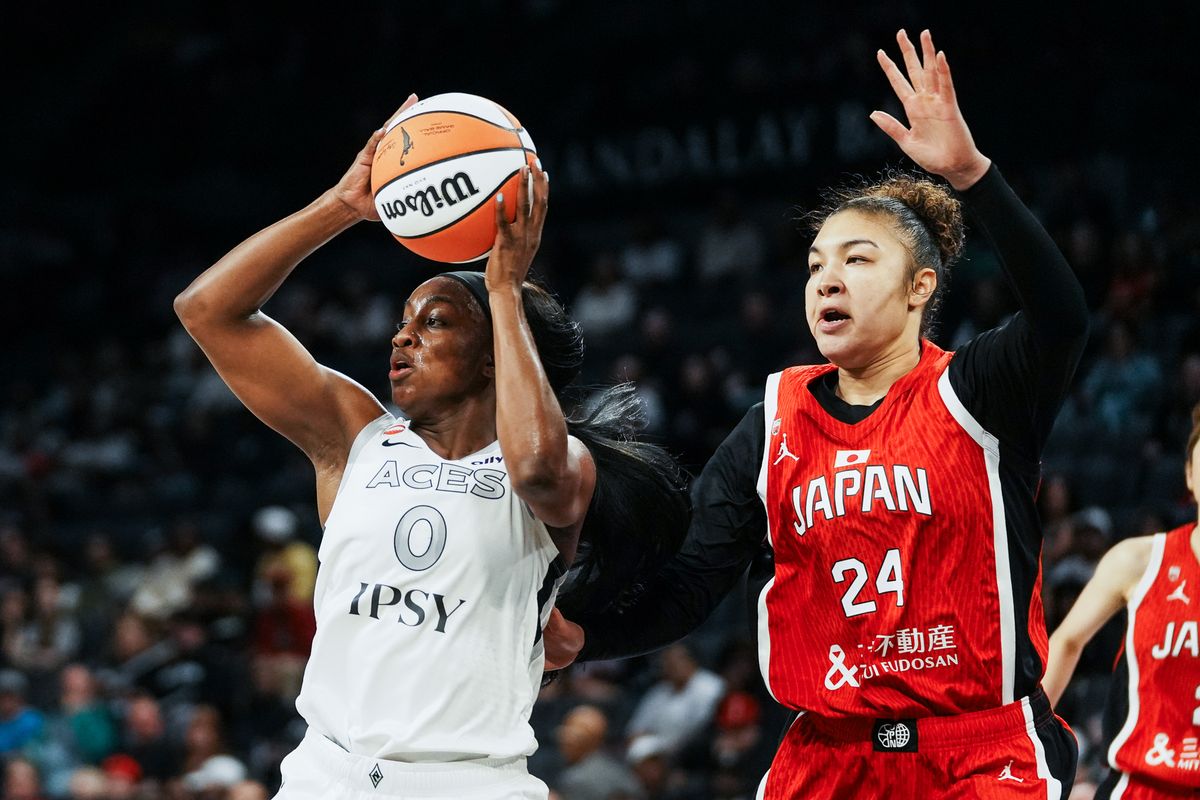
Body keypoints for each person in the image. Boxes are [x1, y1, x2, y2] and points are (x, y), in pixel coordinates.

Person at [545, 28, 1087, 797]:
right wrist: (586, 637)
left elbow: (1063, 318)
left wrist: (972, 174)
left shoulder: (978, 392)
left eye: (857, 260)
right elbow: (694, 580)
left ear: (920, 288)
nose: (827, 280)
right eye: (814, 267)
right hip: (826, 755)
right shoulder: (774, 416)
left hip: (978, 753)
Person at [174, 96, 687, 799]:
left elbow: (535, 465)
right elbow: (208, 311)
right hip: (326, 773)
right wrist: (340, 206)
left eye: (435, 321)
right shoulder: (356, 436)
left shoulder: (556, 464)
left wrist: (504, 291)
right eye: (403, 320)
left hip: (466, 783)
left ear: (491, 359)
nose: (401, 336)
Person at [1044, 404, 1200, 798]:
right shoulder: (1140, 560)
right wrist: (1018, 736)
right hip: (1139, 786)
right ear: (1189, 476)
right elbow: (1067, 641)